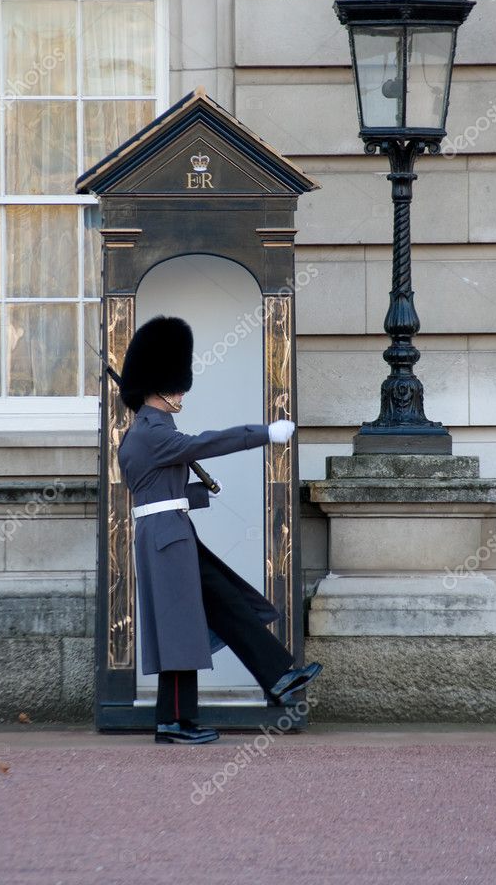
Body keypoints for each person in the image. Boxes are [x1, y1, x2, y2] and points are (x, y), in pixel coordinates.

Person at [117, 315, 322, 744]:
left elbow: (156, 491)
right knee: (179, 630)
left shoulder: (153, 431)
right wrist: (265, 433)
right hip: (166, 539)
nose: (181, 394)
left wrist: (196, 493)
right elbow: (206, 443)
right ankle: (173, 720)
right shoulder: (152, 434)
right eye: (176, 387)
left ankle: (279, 676)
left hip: (173, 531)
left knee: (228, 603)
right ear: (160, 388)